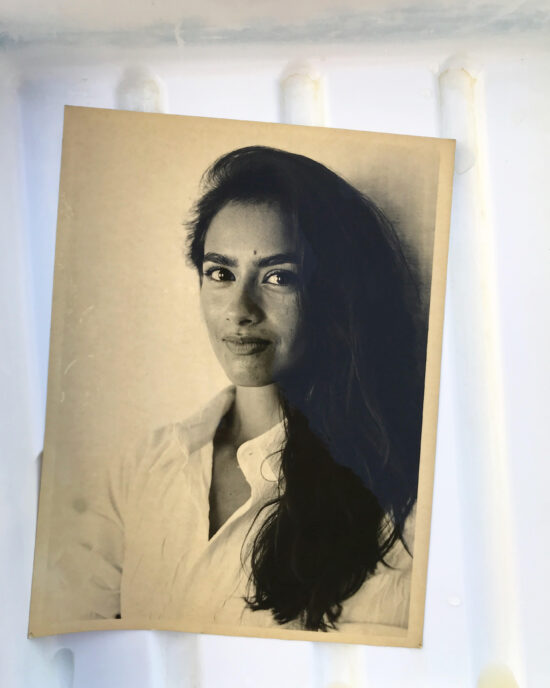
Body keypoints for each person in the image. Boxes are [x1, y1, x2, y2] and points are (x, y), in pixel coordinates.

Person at [51, 146, 424, 634]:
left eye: (278, 276)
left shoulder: (399, 504)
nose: (240, 309)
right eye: (221, 274)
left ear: (334, 295)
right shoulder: (146, 464)